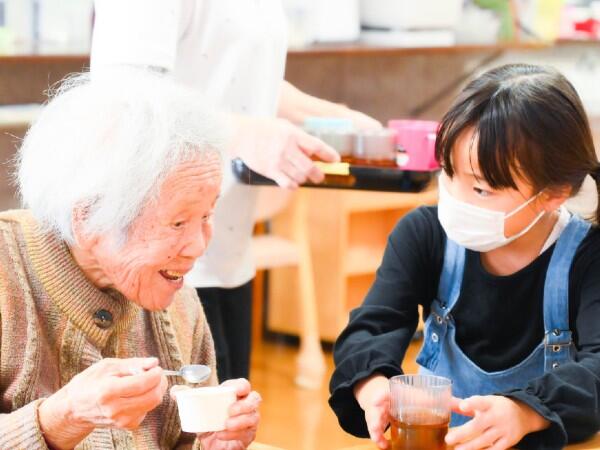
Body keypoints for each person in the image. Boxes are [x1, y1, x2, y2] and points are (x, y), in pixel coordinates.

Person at [90, 0, 382, 382]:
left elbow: (245, 74)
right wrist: (244, 133)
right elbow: (127, 100)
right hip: (158, 257)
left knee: (228, 426)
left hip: (225, 248)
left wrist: (339, 119)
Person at [329, 64, 600, 450]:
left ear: (553, 193)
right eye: (448, 172)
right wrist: (373, 385)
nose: (455, 199)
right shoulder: (423, 234)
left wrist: (525, 412)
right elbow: (371, 328)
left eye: (482, 189)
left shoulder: (588, 256)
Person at [0, 70, 260, 450]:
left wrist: (214, 443)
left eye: (207, 215)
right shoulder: (8, 276)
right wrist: (62, 418)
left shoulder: (176, 299)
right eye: (178, 222)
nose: (199, 244)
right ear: (88, 217)